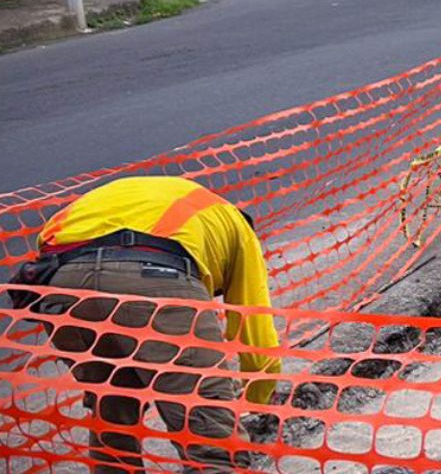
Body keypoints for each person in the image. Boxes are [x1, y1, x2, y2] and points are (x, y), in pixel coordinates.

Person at [17, 176, 280, 473]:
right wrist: (256, 406)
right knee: (213, 447)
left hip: (60, 283)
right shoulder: (239, 231)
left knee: (113, 410)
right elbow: (258, 342)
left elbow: (47, 241)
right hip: (156, 276)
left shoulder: (166, 199)